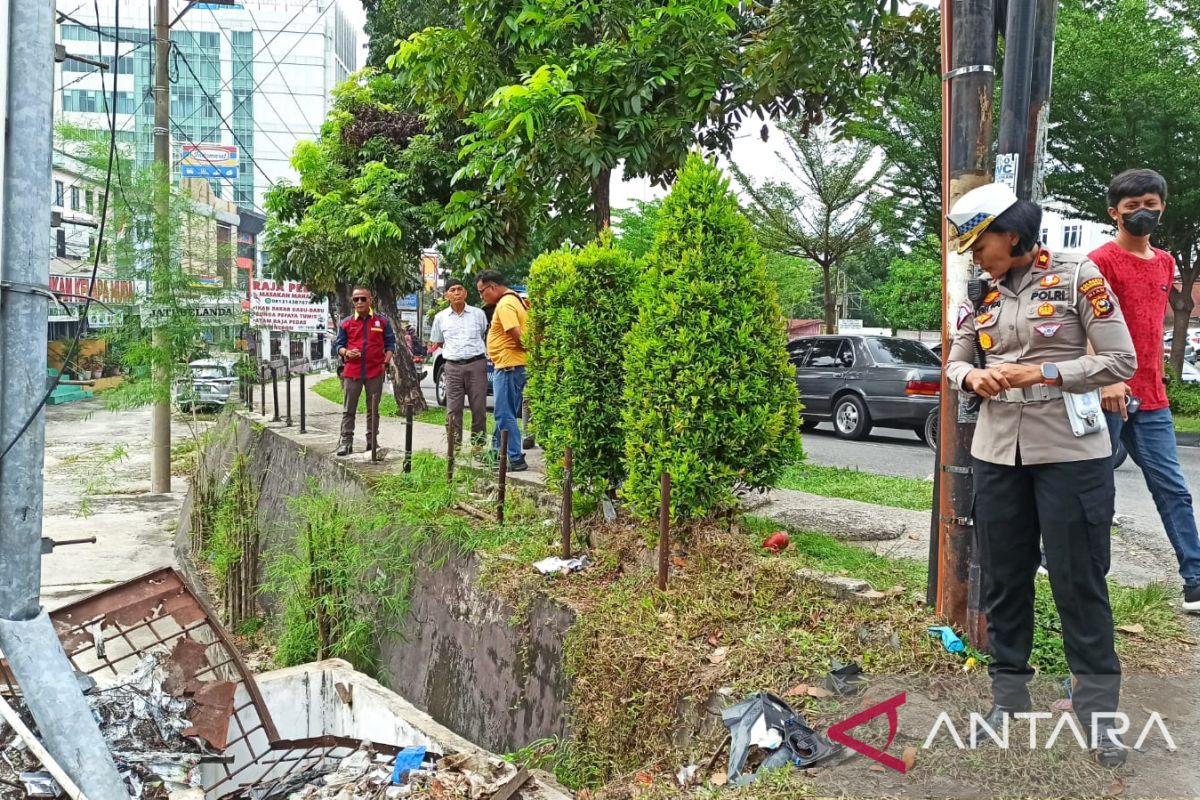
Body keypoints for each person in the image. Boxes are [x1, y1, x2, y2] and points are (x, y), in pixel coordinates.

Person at [945, 183, 1137, 766]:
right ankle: (1010, 700)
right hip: (997, 453)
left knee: (1079, 580)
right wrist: (967, 378)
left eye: (982, 244)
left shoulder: (1080, 277)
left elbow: (1120, 361)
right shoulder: (979, 294)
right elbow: (954, 357)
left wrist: (1043, 374)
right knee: (1004, 578)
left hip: (1071, 455)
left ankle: (1099, 713)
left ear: (1014, 235)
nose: (975, 256)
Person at [1090, 169, 1200, 613]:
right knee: (1094, 487)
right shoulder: (1099, 261)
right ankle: (1080, 568)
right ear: (1114, 212)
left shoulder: (1167, 263)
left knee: (1172, 487)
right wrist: (1107, 378)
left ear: (1162, 208)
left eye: (1150, 205)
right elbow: (1087, 325)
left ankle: (1195, 578)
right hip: (1107, 394)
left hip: (1151, 396)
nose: (1142, 214)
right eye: (1131, 207)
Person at [476, 269, 528, 471]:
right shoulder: (515, 299)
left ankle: (515, 458)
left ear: (493, 287)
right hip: (511, 364)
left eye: (482, 292)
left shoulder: (505, 304)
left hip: (508, 365)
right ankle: (495, 452)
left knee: (504, 414)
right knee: (504, 411)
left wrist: (528, 347)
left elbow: (518, 336)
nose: (481, 296)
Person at [334, 287, 395, 457]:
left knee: (373, 410)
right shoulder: (346, 323)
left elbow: (391, 344)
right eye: (356, 299)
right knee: (349, 409)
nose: (359, 302)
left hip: (375, 372)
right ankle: (346, 442)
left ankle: (372, 442)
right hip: (352, 371)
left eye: (363, 299)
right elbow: (338, 345)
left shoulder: (382, 322)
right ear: (352, 302)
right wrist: (346, 352)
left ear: (370, 300)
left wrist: (385, 362)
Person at [430, 279, 489, 448]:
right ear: (446, 295)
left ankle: (478, 445)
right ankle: (453, 446)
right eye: (452, 290)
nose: (456, 293)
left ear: (466, 293)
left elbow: (484, 334)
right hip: (453, 367)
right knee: (453, 409)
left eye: (460, 289)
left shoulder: (478, 314)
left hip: (476, 364)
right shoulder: (440, 318)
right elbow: (439, 342)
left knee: (478, 407)